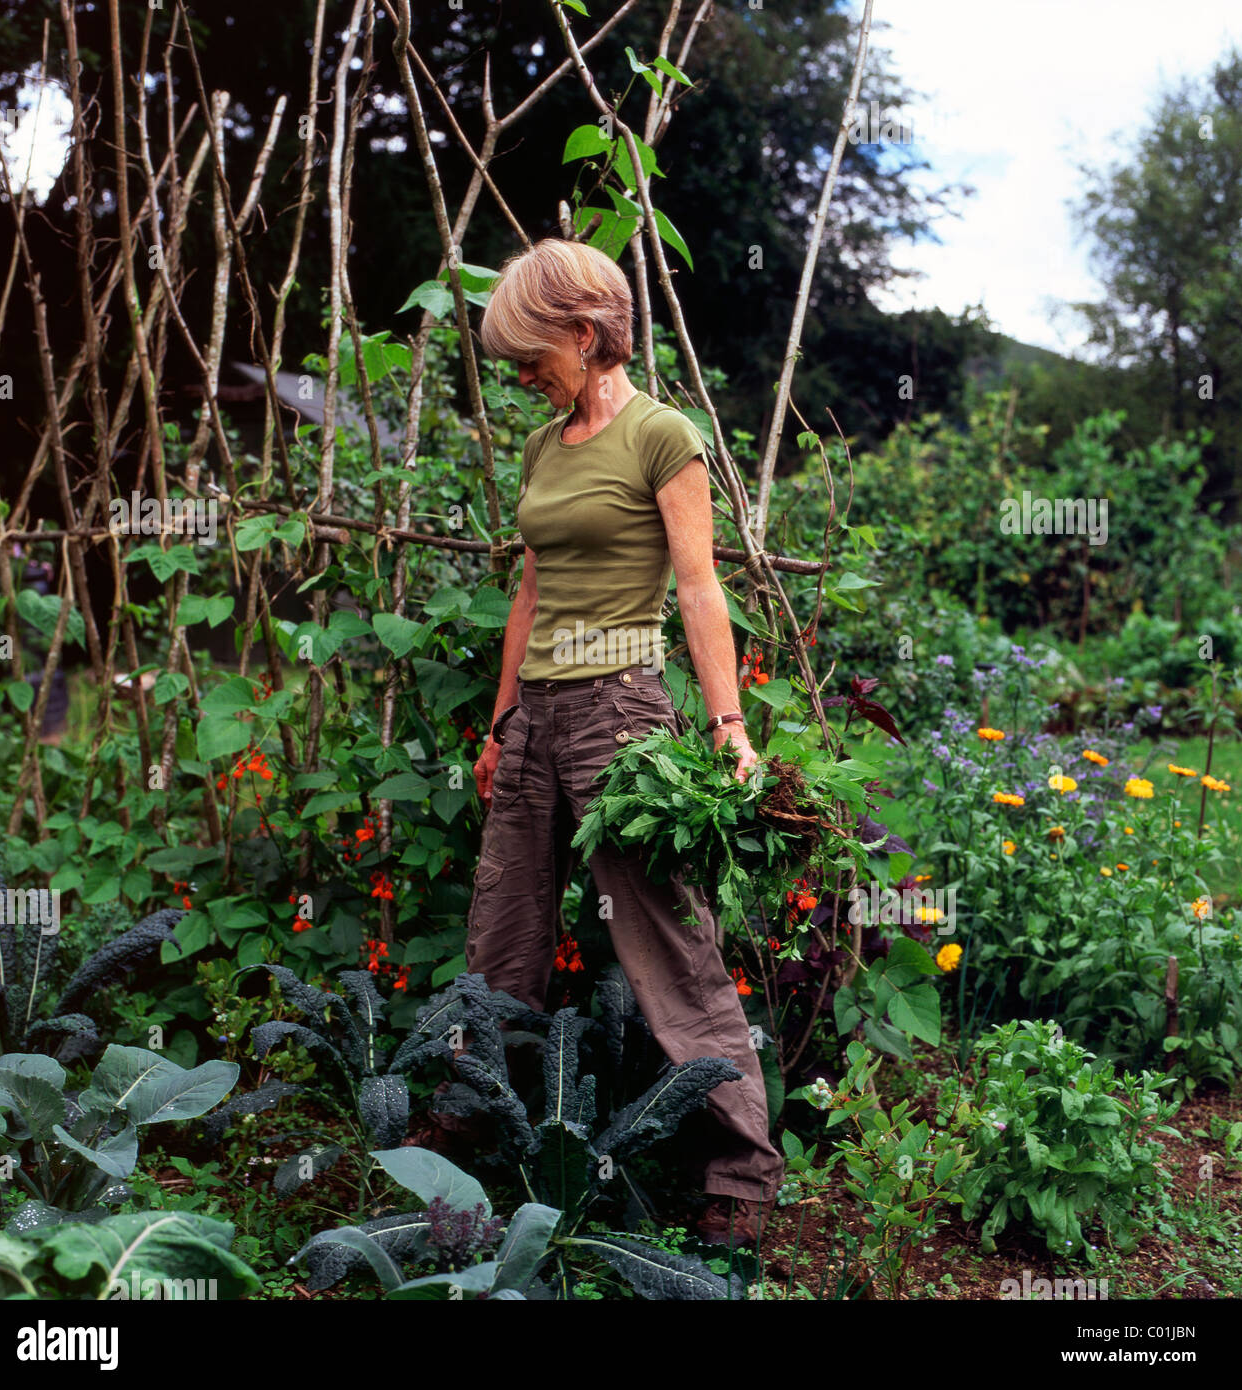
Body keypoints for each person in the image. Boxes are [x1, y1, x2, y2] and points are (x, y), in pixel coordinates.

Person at [465, 236, 782, 1246]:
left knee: (665, 942)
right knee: (500, 933)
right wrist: (504, 714)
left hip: (618, 712)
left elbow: (698, 584)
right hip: (538, 720)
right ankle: (474, 1126)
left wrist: (727, 724)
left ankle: (740, 1167)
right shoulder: (541, 446)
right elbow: (528, 587)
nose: (519, 376)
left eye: (530, 352)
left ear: (585, 328)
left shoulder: (660, 434)